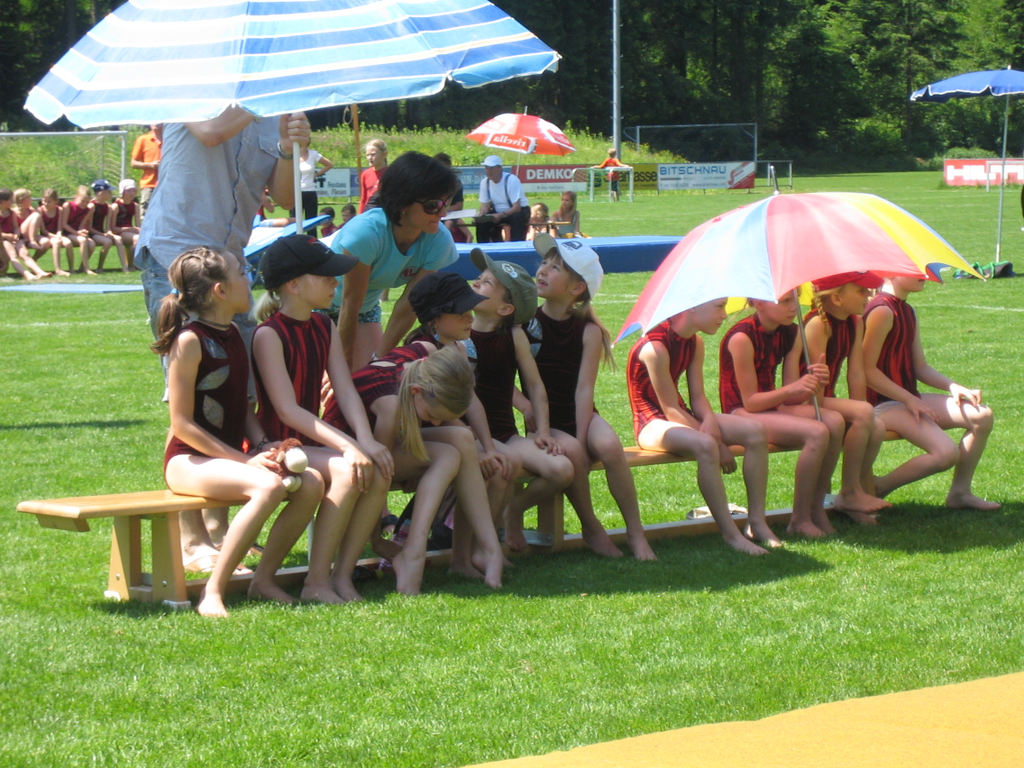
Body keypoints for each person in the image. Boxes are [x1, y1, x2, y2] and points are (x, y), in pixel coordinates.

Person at [136, 106, 311, 571]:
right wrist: (261, 97)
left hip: (231, 268)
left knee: (238, 391)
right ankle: (192, 539)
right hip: (177, 257)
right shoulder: (199, 88)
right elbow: (212, 131)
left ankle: (218, 531)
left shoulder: (273, 113)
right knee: (192, 396)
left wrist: (291, 147)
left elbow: (285, 198)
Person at [153, 246, 324, 617]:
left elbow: (242, 407)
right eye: (242, 273)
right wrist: (246, 461)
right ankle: (213, 592)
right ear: (220, 290)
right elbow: (181, 424)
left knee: (311, 482)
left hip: (227, 458)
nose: (250, 280)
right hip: (187, 460)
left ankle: (263, 580)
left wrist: (262, 444)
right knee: (268, 486)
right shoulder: (189, 341)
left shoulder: (232, 333)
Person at [250, 234, 394, 604]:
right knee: (348, 470)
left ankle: (341, 575)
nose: (335, 282)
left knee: (377, 469)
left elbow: (345, 390)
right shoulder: (269, 334)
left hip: (311, 443)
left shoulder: (323, 325)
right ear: (294, 285)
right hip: (277, 445)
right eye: (325, 276)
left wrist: (365, 439)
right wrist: (348, 446)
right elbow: (287, 410)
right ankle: (315, 581)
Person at [327, 344, 506, 595]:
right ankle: (412, 552)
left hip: (386, 445)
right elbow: (380, 476)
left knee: (463, 439)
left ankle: (489, 548)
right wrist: (376, 541)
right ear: (416, 392)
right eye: (432, 415)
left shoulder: (426, 355)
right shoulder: (390, 405)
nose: (435, 423)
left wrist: (484, 449)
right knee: (447, 456)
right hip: (346, 450)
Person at [521, 235, 657, 560]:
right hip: (544, 420)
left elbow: (584, 390)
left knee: (610, 446)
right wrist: (528, 410)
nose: (543, 270)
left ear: (577, 288)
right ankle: (591, 526)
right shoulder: (525, 324)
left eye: (556, 268)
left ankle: (636, 533)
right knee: (569, 450)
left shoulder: (588, 331)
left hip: (580, 413)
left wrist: (582, 438)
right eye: (544, 263)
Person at [627, 301, 779, 554]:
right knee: (706, 444)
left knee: (755, 431)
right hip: (651, 423)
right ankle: (731, 535)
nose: (724, 315)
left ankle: (757, 523)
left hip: (680, 414)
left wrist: (709, 420)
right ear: (692, 306)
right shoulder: (655, 347)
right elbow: (670, 410)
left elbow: (697, 397)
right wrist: (718, 443)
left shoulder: (695, 342)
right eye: (719, 307)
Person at [466, 248, 575, 552]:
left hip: (504, 434)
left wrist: (543, 431)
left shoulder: (513, 336)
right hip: (467, 435)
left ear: (505, 309)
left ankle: (512, 511)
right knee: (499, 467)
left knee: (561, 470)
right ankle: (481, 545)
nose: (476, 282)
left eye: (487, 283)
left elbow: (536, 387)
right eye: (479, 277)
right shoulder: (458, 331)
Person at [862, 275, 998, 510]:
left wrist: (953, 386)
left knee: (981, 416)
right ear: (893, 272)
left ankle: (960, 493)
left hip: (907, 399)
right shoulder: (882, 310)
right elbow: (867, 371)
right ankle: (878, 487)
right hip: (881, 405)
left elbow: (920, 367)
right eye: (914, 270)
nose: (923, 275)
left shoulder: (908, 311)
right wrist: (909, 400)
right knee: (945, 454)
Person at [719, 293, 845, 538]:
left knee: (835, 421)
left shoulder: (791, 332)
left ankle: (816, 506)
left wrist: (813, 383)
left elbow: (791, 398)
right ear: (759, 303)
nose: (793, 307)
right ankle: (800, 519)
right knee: (817, 432)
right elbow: (751, 402)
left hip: (772, 405)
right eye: (785, 301)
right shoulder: (742, 337)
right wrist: (791, 389)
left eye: (794, 299)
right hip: (740, 412)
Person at [328, 151, 460, 370]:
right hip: (314, 303)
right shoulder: (366, 234)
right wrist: (341, 367)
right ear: (403, 203)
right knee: (329, 380)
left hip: (364, 308)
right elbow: (350, 303)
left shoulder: (439, 240)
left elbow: (408, 307)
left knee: (371, 376)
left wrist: (380, 360)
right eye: (433, 205)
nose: (443, 212)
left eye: (446, 202)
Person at [803, 272, 890, 521]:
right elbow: (815, 388)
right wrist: (860, 412)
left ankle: (854, 494)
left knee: (876, 427)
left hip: (825, 399)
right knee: (864, 414)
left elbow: (857, 373)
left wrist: (863, 413)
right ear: (837, 299)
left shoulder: (855, 322)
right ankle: (850, 492)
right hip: (807, 399)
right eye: (861, 291)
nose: (869, 296)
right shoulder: (818, 324)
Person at [477, 155, 530, 242]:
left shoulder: (511, 180)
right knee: (481, 223)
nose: (489, 171)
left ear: (500, 168)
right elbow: (484, 206)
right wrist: (481, 216)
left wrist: (501, 215)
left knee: (516, 218)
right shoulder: (484, 182)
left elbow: (517, 207)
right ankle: (484, 246)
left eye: (492, 168)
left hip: (518, 211)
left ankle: (516, 244)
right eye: (487, 168)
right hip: (498, 212)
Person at [1, 187, 49, 280]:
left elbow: (16, 227)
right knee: (13, 256)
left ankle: (39, 272)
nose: (13, 202)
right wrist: (7, 236)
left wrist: (16, 234)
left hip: (14, 238)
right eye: (11, 200)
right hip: (3, 240)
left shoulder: (11, 212)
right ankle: (27, 274)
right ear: (3, 202)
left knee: (25, 253)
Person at [23, 188, 73, 276]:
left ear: (55, 201)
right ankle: (58, 269)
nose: (46, 203)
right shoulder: (40, 210)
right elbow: (44, 230)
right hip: (46, 235)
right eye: (44, 201)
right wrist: (55, 236)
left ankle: (71, 268)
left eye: (49, 201)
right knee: (56, 242)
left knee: (68, 243)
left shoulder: (59, 210)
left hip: (56, 234)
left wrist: (59, 233)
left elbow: (59, 227)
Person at [87, 179, 128, 272]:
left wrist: (109, 233)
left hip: (101, 233)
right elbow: (89, 227)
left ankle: (125, 267)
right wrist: (103, 235)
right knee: (107, 242)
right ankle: (99, 266)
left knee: (118, 239)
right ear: (101, 193)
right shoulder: (92, 206)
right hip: (92, 233)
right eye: (109, 192)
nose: (111, 194)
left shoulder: (108, 207)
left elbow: (108, 227)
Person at [293, 145, 333, 236]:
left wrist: (316, 174)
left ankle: (312, 242)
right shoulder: (292, 154)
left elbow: (329, 165)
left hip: (310, 191)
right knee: (294, 221)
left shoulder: (313, 154)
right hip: (296, 192)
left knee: (311, 222)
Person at [434, 152, 472, 243]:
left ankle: (445, 243)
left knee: (449, 222)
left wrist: (445, 209)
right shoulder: (431, 183)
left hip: (450, 215)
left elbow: (459, 205)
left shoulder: (456, 183)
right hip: (434, 214)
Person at [61, 185, 96, 274]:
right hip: (66, 232)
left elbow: (82, 224)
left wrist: (83, 231)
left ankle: (82, 267)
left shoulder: (88, 209)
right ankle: (83, 268)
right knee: (83, 240)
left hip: (76, 232)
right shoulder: (68, 205)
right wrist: (77, 233)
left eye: (87, 202)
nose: (84, 204)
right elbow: (64, 224)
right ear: (76, 197)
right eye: (82, 201)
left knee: (92, 244)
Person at [130, 124, 162, 220]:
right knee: (146, 216)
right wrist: (150, 165)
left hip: (169, 184)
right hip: (149, 184)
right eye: (153, 120)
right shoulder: (143, 140)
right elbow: (133, 163)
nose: (156, 123)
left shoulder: (170, 140)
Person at [112, 179, 141, 269]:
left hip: (129, 232)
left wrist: (138, 229)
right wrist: (127, 229)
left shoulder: (135, 206)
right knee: (137, 238)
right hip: (119, 232)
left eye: (134, 191)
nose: (132, 193)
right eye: (129, 191)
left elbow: (138, 225)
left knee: (143, 237)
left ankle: (139, 263)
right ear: (122, 191)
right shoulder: (116, 206)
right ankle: (131, 265)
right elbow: (112, 228)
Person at [359, 139, 387, 213]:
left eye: (373, 154)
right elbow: (363, 199)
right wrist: (360, 216)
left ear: (384, 154)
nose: (369, 158)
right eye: (367, 155)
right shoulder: (365, 174)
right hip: (369, 214)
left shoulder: (391, 173)